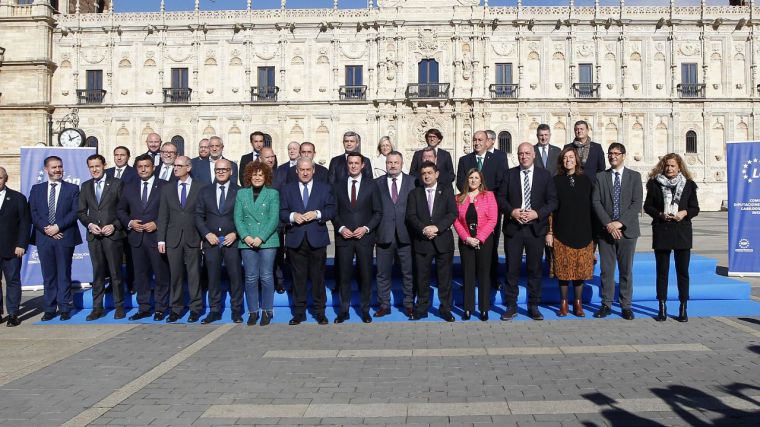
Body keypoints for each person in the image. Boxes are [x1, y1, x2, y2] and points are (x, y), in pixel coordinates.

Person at [497, 142, 558, 321]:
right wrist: (512, 211)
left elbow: (553, 201)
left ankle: (534, 305)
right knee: (512, 269)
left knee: (535, 269)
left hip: (535, 229)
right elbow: (500, 198)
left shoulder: (545, 176)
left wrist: (537, 214)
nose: (523, 156)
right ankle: (511, 305)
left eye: (527, 153)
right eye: (520, 153)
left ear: (534, 155)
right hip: (514, 229)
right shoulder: (509, 174)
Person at [644, 153, 700, 322]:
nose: (669, 168)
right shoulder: (655, 184)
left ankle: (683, 307)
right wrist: (660, 214)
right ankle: (662, 306)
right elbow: (648, 206)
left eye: (673, 166)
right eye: (667, 165)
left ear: (679, 167)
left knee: (682, 272)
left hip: (682, 231)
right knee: (662, 272)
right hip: (662, 230)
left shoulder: (689, 185)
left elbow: (695, 208)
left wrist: (685, 213)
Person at [280, 157, 336, 325]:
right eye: (301, 170)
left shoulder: (324, 188)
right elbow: (281, 212)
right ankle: (299, 312)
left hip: (317, 238)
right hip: (295, 238)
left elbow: (331, 210)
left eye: (308, 170)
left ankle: (320, 312)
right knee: (298, 278)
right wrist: (292, 216)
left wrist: (317, 214)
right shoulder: (287, 189)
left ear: (313, 170)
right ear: (296, 171)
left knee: (318, 277)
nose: (305, 173)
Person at [592, 142, 643, 320]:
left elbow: (637, 203)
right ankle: (606, 303)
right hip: (606, 232)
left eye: (616, 153)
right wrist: (609, 224)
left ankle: (626, 305)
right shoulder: (601, 177)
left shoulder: (634, 177)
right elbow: (596, 202)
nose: (612, 156)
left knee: (626, 270)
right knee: (606, 270)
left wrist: (619, 223)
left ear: (623, 155)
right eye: (610, 153)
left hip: (627, 231)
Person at [117, 154, 170, 321]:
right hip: (137, 238)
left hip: (156, 238)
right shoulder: (129, 187)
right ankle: (144, 307)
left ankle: (161, 308)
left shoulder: (165, 186)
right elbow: (120, 210)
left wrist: (157, 223)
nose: (143, 169)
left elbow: (171, 211)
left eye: (147, 166)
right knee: (141, 275)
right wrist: (130, 222)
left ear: (153, 167)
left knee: (161, 275)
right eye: (140, 167)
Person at [29, 156, 82, 321]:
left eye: (60, 166)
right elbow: (33, 212)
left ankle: (65, 307)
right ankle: (50, 309)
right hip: (44, 237)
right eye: (54, 167)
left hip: (64, 236)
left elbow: (75, 212)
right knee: (49, 275)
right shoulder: (36, 189)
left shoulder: (72, 189)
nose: (57, 170)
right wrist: (47, 229)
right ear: (46, 170)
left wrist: (57, 227)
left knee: (64, 273)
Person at [333, 152, 383, 324]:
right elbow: (334, 211)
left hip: (364, 238)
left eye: (356, 163)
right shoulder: (338, 185)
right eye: (350, 163)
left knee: (365, 275)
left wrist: (366, 228)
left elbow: (378, 212)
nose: (353, 166)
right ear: (347, 165)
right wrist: (341, 228)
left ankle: (365, 310)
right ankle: (343, 310)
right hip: (344, 238)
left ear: (363, 165)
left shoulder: (372, 185)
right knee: (344, 276)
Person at [406, 161, 457, 322]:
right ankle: (421, 308)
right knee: (422, 277)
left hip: (442, 240)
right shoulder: (414, 194)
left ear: (437, 174)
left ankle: (446, 309)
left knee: (445, 278)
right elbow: (410, 216)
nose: (427, 176)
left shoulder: (447, 191)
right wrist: (424, 229)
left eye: (429, 172)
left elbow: (452, 213)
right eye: (424, 173)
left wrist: (437, 228)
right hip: (422, 241)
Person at [546, 148, 594, 317]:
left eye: (571, 157)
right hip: (562, 231)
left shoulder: (586, 180)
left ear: (576, 160)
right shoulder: (555, 181)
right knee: (563, 270)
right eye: (565, 158)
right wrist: (550, 232)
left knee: (580, 270)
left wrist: (593, 234)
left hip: (583, 231)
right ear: (561, 161)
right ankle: (564, 303)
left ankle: (578, 303)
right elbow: (551, 209)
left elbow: (592, 207)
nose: (568, 160)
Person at [457, 130, 507, 291]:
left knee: (490, 245)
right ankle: (469, 280)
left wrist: (486, 199)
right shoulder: (465, 160)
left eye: (480, 140)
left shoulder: (498, 159)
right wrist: (473, 196)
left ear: (487, 142)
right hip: (469, 209)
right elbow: (460, 182)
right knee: (469, 245)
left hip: (490, 210)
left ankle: (493, 278)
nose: (477, 142)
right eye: (475, 140)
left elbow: (501, 182)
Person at [78, 154, 126, 321]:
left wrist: (114, 225)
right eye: (91, 167)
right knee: (97, 273)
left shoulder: (117, 183)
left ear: (104, 165)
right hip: (94, 236)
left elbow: (123, 210)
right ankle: (97, 308)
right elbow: (81, 212)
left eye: (97, 166)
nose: (94, 169)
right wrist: (90, 224)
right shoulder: (85, 186)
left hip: (112, 236)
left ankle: (119, 306)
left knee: (115, 272)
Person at [195, 159, 244, 324]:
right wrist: (206, 234)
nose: (221, 172)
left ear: (231, 171)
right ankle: (214, 310)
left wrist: (236, 233)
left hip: (232, 241)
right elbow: (198, 215)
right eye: (218, 170)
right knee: (213, 277)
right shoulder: (205, 191)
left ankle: (237, 311)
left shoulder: (240, 191)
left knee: (235, 277)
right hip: (212, 241)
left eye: (224, 169)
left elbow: (245, 216)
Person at [157, 156, 205, 323]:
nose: (175, 168)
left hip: (193, 238)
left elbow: (203, 215)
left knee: (194, 275)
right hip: (173, 239)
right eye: (174, 166)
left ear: (188, 167)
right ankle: (175, 309)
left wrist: (203, 237)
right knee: (175, 275)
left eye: (179, 165)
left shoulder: (200, 187)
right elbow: (163, 215)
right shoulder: (167, 188)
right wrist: (161, 240)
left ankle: (195, 308)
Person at [235, 161, 280, 326]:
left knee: (267, 276)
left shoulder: (273, 193)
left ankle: (267, 310)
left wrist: (260, 237)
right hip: (247, 241)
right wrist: (245, 236)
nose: (257, 177)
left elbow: (273, 219)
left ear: (266, 176)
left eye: (261, 175)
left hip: (267, 240)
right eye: (254, 174)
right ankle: (253, 312)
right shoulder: (242, 194)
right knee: (250, 277)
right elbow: (238, 218)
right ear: (249, 176)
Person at [374, 151, 416, 318]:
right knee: (382, 273)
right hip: (384, 234)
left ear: (401, 163)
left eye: (395, 162)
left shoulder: (413, 182)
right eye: (389, 162)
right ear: (386, 164)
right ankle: (384, 305)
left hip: (406, 234)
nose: (392, 165)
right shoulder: (376, 183)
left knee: (408, 272)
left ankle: (409, 304)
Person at [453, 168, 498, 321]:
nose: (473, 180)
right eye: (470, 177)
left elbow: (493, 219)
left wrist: (479, 238)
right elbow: (456, 221)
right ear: (467, 180)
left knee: (484, 274)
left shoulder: (489, 196)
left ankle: (484, 308)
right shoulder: (459, 198)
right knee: (468, 274)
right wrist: (466, 238)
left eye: (476, 178)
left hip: (484, 241)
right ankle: (467, 308)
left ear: (481, 180)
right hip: (466, 241)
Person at [0, 166, 31, 327]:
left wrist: (21, 244)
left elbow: (25, 223)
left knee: (12, 281)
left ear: (6, 179)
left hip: (12, 248)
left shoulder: (18, 198)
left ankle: (13, 314)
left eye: (0, 178)